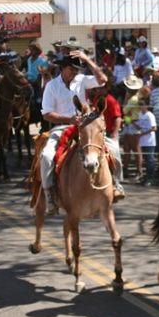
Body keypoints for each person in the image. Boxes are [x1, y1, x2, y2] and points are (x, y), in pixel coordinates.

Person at [40, 50, 108, 215]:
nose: (75, 72)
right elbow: (47, 114)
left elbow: (103, 80)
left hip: (86, 127)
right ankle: (49, 195)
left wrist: (88, 60)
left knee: (112, 149)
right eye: (72, 68)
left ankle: (116, 186)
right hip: (62, 127)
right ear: (62, 68)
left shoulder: (81, 80)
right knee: (46, 156)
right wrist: (68, 119)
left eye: (77, 69)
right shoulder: (51, 86)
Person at [89, 82, 125, 198]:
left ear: (107, 88)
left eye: (101, 88)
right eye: (97, 88)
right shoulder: (96, 99)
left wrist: (115, 133)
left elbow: (118, 118)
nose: (98, 90)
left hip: (109, 134)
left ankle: (117, 184)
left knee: (115, 155)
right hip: (97, 132)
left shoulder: (111, 100)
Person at [121, 75, 145, 180]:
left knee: (135, 148)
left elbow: (124, 111)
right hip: (129, 123)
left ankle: (139, 171)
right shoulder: (135, 97)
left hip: (133, 124)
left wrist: (125, 99)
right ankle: (126, 170)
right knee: (127, 148)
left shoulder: (133, 99)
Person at [135, 97, 157, 186]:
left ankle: (151, 179)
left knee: (150, 160)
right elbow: (140, 127)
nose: (141, 106)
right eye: (139, 105)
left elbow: (154, 128)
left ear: (147, 105)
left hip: (149, 142)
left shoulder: (150, 115)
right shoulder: (140, 114)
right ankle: (147, 177)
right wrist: (132, 122)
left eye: (142, 104)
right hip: (143, 141)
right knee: (146, 160)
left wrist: (143, 133)